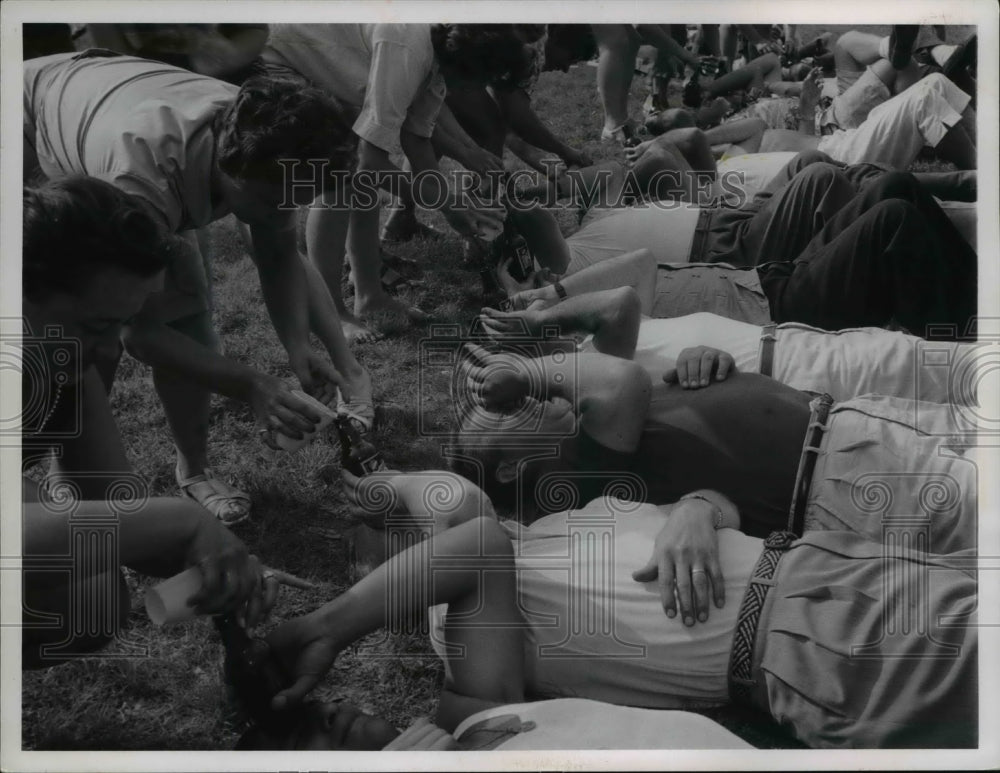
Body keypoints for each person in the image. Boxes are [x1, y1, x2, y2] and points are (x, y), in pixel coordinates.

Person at [262, 492, 977, 748]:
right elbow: (467, 542)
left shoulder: (570, 519)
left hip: (830, 559)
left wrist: (697, 508)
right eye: (396, 544)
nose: (428, 515)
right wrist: (330, 624)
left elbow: (718, 504)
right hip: (817, 650)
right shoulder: (467, 638)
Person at [24, 50, 374, 523]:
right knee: (87, 343)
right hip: (27, 117)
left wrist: (297, 348)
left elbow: (277, 251)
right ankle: (70, 481)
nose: (281, 216)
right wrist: (250, 384)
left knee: (187, 319)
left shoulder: (267, 136)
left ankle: (192, 470)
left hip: (99, 96)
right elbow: (136, 333)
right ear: (229, 168)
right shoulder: (139, 180)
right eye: (273, 203)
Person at [20, 176, 281, 668]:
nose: (107, 350)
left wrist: (222, 562)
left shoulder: (66, 360)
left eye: (116, 327)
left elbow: (112, 499)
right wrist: (184, 522)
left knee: (88, 602)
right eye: (94, 326)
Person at [451, 344, 978, 554]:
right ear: (513, 468)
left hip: (858, 430)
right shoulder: (573, 483)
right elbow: (620, 383)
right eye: (503, 415)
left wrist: (705, 363)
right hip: (856, 479)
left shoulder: (595, 438)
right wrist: (527, 371)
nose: (522, 401)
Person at [518, 152, 979, 339]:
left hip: (744, 254)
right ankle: (968, 325)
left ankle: (979, 284)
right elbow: (527, 215)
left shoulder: (597, 220)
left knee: (889, 186)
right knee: (854, 196)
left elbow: (613, 169)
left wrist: (558, 183)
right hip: (742, 264)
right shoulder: (572, 267)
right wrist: (544, 289)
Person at [258, 23, 520, 342]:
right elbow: (369, 162)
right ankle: (331, 312)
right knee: (340, 176)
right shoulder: (409, 49)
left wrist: (452, 208)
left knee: (357, 170)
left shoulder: (438, 58)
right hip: (278, 57)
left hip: (319, 62)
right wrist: (450, 205)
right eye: (480, 82)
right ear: (469, 66)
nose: (475, 92)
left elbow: (417, 139)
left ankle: (370, 296)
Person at [477, 285, 981, 405]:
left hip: (811, 353)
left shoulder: (602, 345)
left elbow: (639, 268)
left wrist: (560, 294)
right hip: (815, 374)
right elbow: (621, 301)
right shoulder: (595, 366)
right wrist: (540, 319)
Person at [695, 68, 976, 170]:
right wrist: (698, 139)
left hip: (839, 143)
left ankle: (987, 152)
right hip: (844, 161)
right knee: (925, 98)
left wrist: (807, 108)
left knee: (937, 81)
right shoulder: (730, 164)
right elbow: (755, 127)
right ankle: (983, 176)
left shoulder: (736, 150)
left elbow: (801, 144)